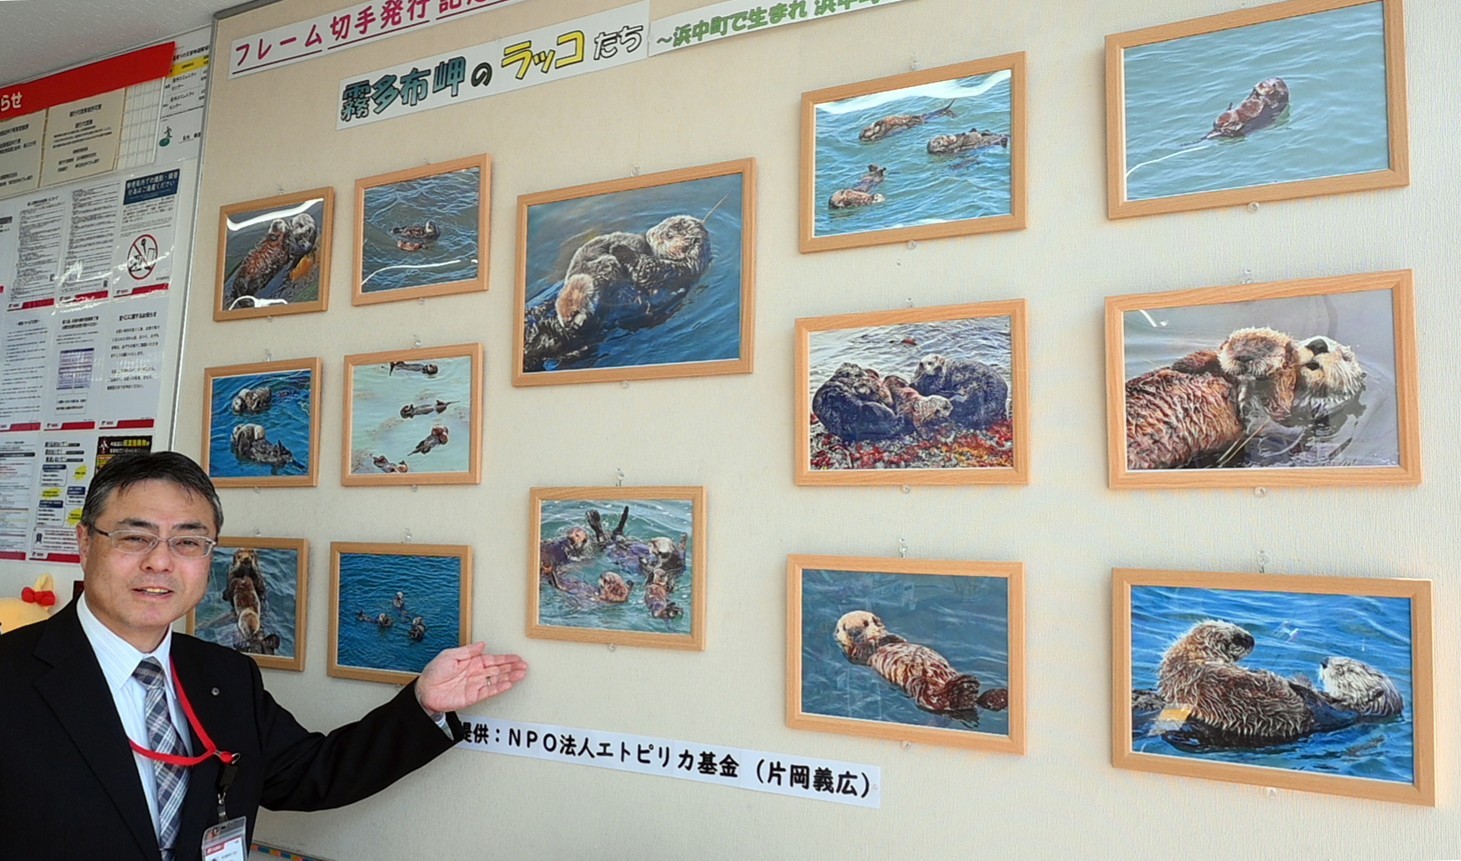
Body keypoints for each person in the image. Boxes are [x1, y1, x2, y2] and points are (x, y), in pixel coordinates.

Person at [0, 452, 528, 860]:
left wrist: (423, 704)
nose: (160, 562)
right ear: (85, 543)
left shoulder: (226, 675)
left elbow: (312, 773)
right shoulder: (11, 677)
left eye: (188, 542)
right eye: (135, 537)